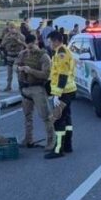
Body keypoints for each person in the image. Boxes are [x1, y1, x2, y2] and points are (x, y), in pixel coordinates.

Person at [16, 33, 53, 149]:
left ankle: (51, 141)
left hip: (37, 88)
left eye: (32, 46)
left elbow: (46, 75)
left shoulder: (43, 56)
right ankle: (28, 138)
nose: (29, 49)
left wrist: (30, 71)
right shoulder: (22, 54)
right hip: (25, 88)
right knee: (27, 115)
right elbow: (15, 66)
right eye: (28, 46)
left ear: (36, 43)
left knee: (46, 116)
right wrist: (19, 69)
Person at [44, 30, 77, 159]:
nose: (49, 44)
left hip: (64, 92)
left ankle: (58, 150)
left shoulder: (61, 54)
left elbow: (62, 75)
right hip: (68, 91)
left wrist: (56, 95)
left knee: (57, 120)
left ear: (56, 41)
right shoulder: (61, 52)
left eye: (50, 41)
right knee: (67, 119)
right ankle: (68, 145)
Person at [0, 22, 26, 92]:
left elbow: (25, 45)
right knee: (9, 72)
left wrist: (18, 41)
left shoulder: (21, 36)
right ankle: (9, 86)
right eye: (10, 28)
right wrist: (7, 40)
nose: (11, 30)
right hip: (10, 55)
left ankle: (20, 86)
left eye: (12, 28)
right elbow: (2, 45)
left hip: (18, 55)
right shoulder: (6, 36)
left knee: (19, 72)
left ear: (15, 28)